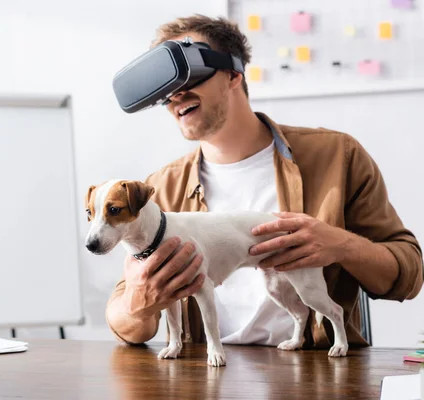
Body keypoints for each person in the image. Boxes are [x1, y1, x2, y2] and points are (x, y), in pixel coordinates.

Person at [105, 14, 423, 349]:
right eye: (166, 87)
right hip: (205, 376)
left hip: (315, 373)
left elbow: (408, 276)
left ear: (232, 73)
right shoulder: (160, 189)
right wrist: (137, 305)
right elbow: (124, 321)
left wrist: (340, 245)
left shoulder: (336, 157)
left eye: (189, 76)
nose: (176, 95)